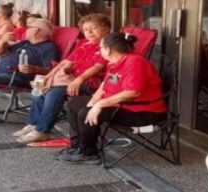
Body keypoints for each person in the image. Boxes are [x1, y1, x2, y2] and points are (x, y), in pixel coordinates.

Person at [57, 33, 166, 164]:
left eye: (101, 47)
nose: (99, 50)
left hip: (142, 111)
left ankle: (89, 153)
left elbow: (133, 92)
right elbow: (104, 86)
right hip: (121, 105)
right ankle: (77, 146)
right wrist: (93, 102)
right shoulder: (114, 62)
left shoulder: (135, 62)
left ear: (108, 49)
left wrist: (99, 105)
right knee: (74, 104)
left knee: (85, 113)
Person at [13, 13, 111, 144]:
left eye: (93, 28)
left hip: (92, 84)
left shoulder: (107, 46)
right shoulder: (84, 43)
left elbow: (97, 67)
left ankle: (42, 131)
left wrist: (78, 80)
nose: (89, 32)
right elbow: (65, 63)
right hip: (71, 79)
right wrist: (47, 77)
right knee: (40, 86)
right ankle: (34, 123)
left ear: (105, 28)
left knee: (55, 92)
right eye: (86, 30)